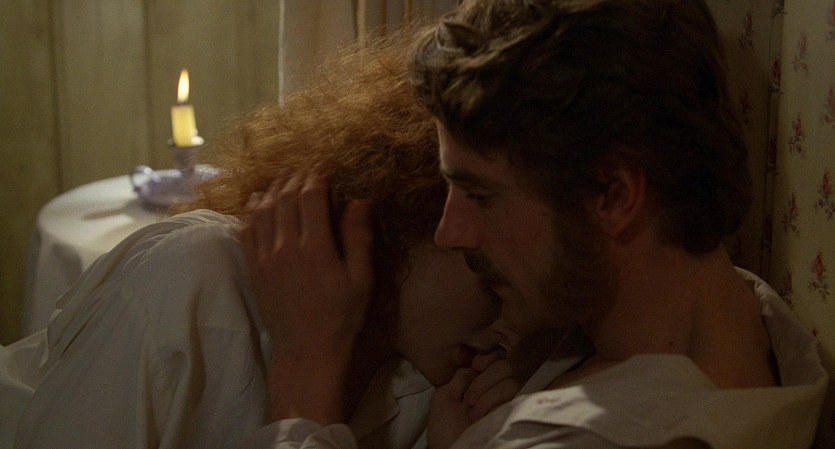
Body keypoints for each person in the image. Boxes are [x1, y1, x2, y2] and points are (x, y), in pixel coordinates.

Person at [248, 1, 828, 448]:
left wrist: (306, 369)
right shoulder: (753, 326)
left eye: (480, 194)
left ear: (613, 195)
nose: (451, 232)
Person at [0, 31, 521, 449]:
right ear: (411, 221)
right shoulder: (194, 282)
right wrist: (306, 372)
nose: (515, 326)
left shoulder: (442, 384)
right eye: (494, 284)